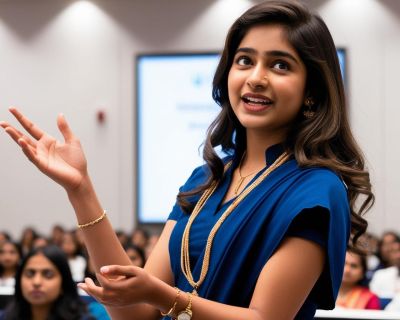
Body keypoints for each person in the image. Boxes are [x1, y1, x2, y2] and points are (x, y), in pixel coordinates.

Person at [0, 1, 374, 319]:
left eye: (280, 65)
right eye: (244, 61)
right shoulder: (206, 178)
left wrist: (167, 298)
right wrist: (80, 189)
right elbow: (135, 313)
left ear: (312, 91)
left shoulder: (316, 189)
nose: (256, 78)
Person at [0, 245, 94, 320]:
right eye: (29, 274)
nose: (36, 282)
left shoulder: (84, 317)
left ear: (63, 283)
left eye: (48, 275)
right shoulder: (4, 316)